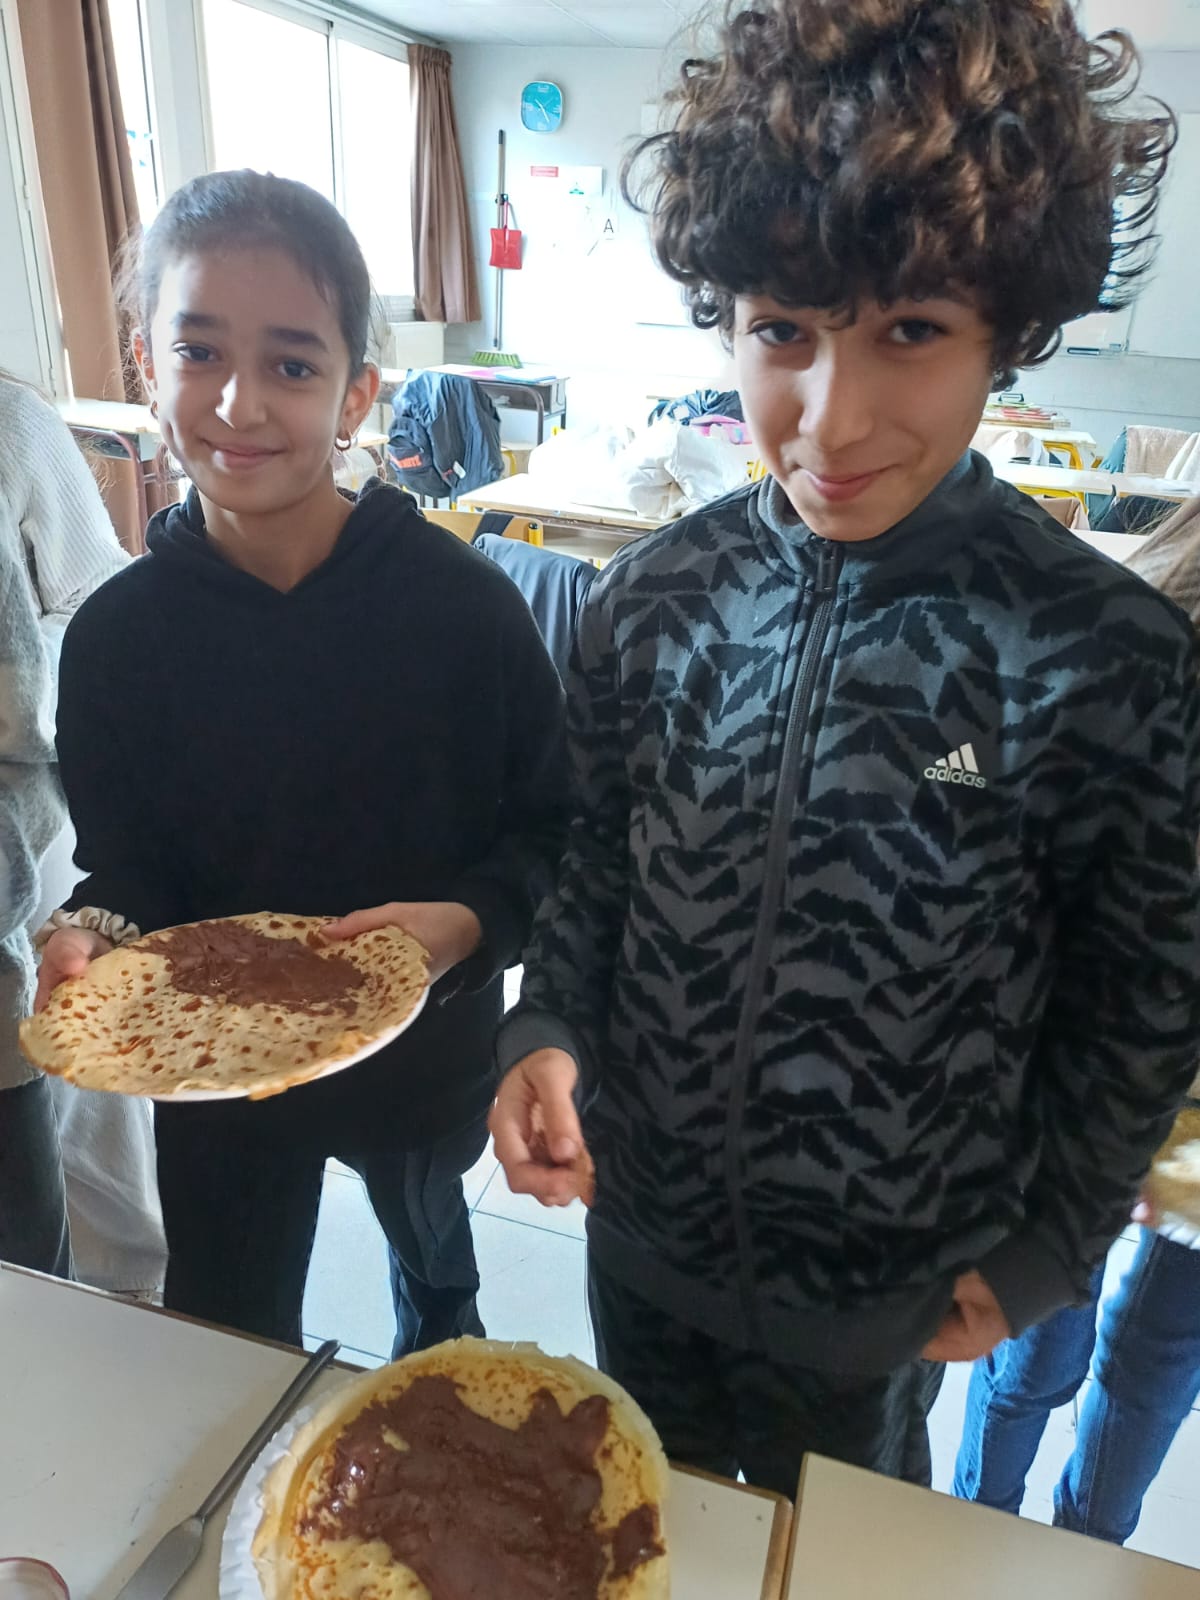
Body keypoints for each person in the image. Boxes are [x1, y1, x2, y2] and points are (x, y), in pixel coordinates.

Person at [487, 0, 1200, 1497]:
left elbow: (1142, 992)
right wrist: (543, 1025)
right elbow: (596, 861)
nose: (831, 416)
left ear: (1009, 326)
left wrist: (1053, 1242)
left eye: (912, 332)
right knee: (649, 1528)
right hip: (644, 1242)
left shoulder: (1104, 657)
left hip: (894, 1295)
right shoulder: (652, 601)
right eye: (783, 332)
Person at [33, 170, 566, 1352]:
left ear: (356, 391)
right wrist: (98, 934)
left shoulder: (464, 613)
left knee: (437, 1283)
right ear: (147, 363)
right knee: (225, 1326)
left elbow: (551, 828)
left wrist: (470, 923)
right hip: (214, 1069)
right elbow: (129, 866)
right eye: (199, 352)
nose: (239, 402)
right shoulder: (118, 641)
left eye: (290, 362)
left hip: (420, 1050)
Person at [954, 498, 1200, 1543]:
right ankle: (979, 1524)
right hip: (1077, 1087)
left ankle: (1084, 1551)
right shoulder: (1132, 647)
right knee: (1033, 1339)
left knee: (1149, 1366)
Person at [0, 371, 128, 1277]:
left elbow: (99, 603)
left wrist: (17, 691)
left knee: (82, 1117)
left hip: (28, 837)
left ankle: (131, 1296)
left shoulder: (12, 422)